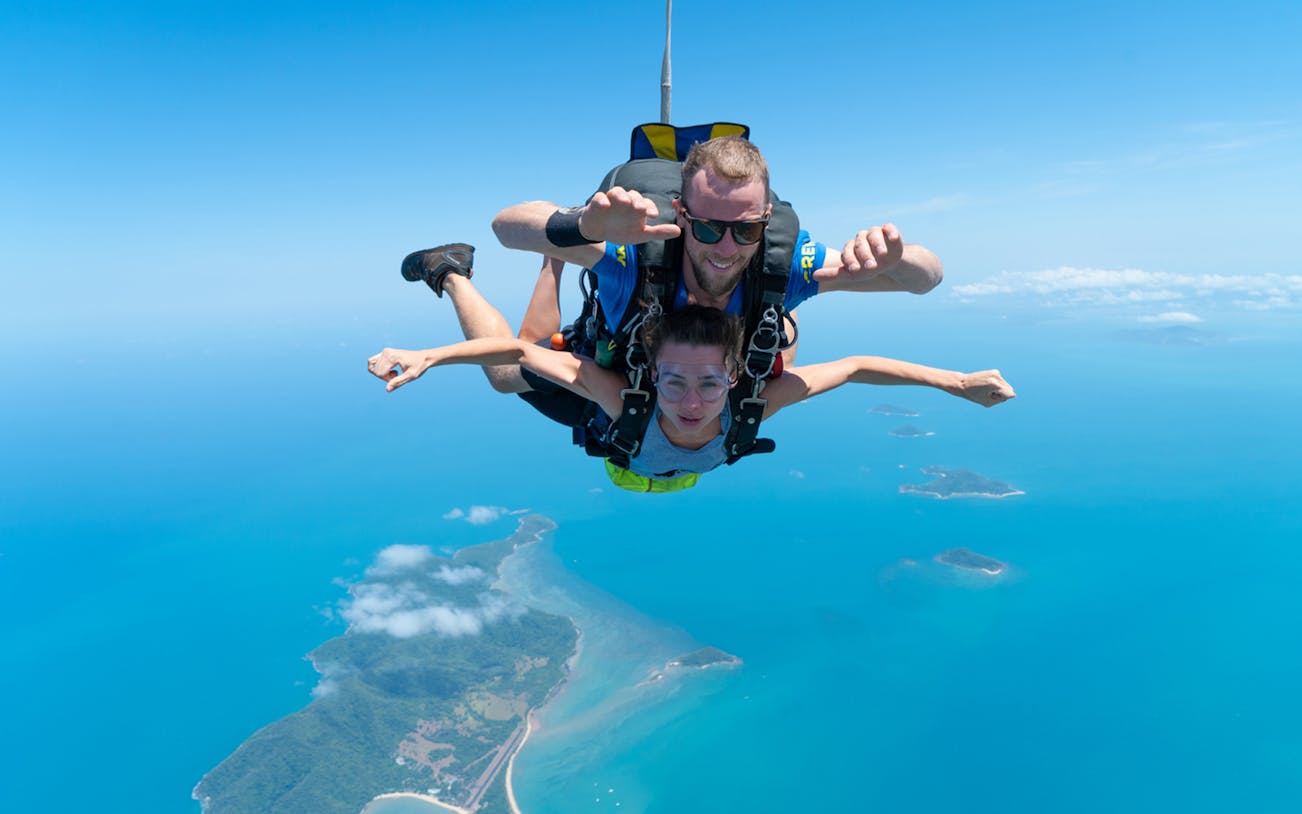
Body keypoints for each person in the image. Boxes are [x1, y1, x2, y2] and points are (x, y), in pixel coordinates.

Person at [369, 253, 1015, 493]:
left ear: (734, 378)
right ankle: (472, 268)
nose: (690, 401)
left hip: (625, 427)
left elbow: (853, 368)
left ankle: (535, 259)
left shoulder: (742, 403)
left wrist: (958, 384)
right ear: (652, 373)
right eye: (675, 381)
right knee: (517, 362)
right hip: (605, 406)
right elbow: (517, 355)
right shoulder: (636, 403)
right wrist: (429, 357)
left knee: (519, 365)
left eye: (708, 384)